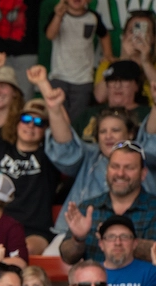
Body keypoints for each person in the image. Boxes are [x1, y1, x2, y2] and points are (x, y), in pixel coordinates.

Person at [0, 56, 60, 254]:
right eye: (26, 119)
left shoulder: (49, 156)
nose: (30, 125)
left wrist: (43, 85)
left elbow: (62, 130)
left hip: (34, 231)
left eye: (39, 122)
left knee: (22, 249)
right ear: (17, 122)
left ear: (46, 130)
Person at [45, 73, 156, 239]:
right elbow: (65, 148)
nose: (108, 136)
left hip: (137, 234)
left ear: (131, 134)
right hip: (79, 232)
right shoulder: (90, 154)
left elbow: (151, 140)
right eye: (103, 131)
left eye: (115, 130)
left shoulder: (142, 155)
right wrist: (54, 110)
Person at [59, 143, 156, 265]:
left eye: (129, 168)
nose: (120, 173)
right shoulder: (89, 207)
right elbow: (67, 257)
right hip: (97, 283)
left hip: (144, 283)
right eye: (115, 166)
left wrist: (114, 238)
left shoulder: (154, 208)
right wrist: (78, 239)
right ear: (107, 170)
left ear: (143, 174)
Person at [59, 216, 156, 286]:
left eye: (124, 237)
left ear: (135, 243)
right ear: (101, 244)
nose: (118, 243)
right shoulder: (88, 272)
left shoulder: (150, 271)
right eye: (111, 237)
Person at [45, 0, 113, 123]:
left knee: (78, 119)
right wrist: (58, 16)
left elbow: (104, 35)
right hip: (59, 76)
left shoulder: (93, 17)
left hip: (84, 79)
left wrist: (108, 55)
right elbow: (50, 35)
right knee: (58, 117)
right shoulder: (58, 15)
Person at [76, 60, 152, 141]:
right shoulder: (89, 114)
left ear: (137, 85)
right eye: (112, 80)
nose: (117, 86)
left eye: (124, 80)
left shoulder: (149, 116)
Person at [94, 11, 156, 107]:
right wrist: (123, 60)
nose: (138, 36)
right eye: (132, 31)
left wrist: (146, 62)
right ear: (124, 36)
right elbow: (100, 97)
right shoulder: (108, 65)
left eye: (144, 32)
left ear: (153, 38)